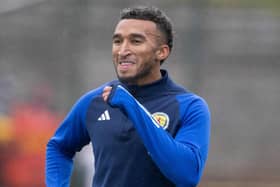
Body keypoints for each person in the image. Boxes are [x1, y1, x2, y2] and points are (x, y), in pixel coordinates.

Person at [46, 6, 211, 187]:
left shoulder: (189, 106)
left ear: (161, 52)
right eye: (118, 41)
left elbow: (187, 175)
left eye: (136, 41)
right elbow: (59, 147)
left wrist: (133, 107)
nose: (123, 50)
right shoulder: (95, 101)